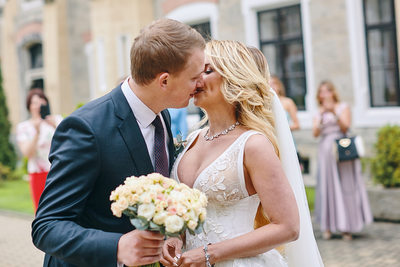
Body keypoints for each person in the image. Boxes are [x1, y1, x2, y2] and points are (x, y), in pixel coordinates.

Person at [31, 18, 205, 267]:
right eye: (194, 77)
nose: (200, 84)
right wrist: (117, 246)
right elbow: (47, 226)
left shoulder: (162, 114)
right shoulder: (85, 129)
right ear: (164, 81)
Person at [161, 41, 323, 267]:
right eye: (195, 72)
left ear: (233, 78)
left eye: (207, 71)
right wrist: (175, 237)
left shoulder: (253, 145)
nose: (196, 79)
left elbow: (288, 227)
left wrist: (209, 254)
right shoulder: (191, 140)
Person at [312, 80, 372, 241]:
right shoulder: (318, 111)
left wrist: (334, 113)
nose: (324, 94)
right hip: (325, 151)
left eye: (327, 91)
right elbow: (315, 133)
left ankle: (347, 227)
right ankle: (328, 227)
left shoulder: (343, 107)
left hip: (342, 149)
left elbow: (346, 127)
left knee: (346, 186)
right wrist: (321, 117)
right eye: (321, 92)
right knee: (328, 186)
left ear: (333, 92)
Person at [16, 88, 63, 211]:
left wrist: (55, 126)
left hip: (59, 170)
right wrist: (36, 133)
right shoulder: (24, 127)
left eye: (41, 102)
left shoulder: (57, 120)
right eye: (34, 103)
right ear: (29, 106)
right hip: (38, 173)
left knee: (61, 208)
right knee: (42, 210)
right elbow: (27, 153)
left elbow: (69, 142)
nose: (38, 106)